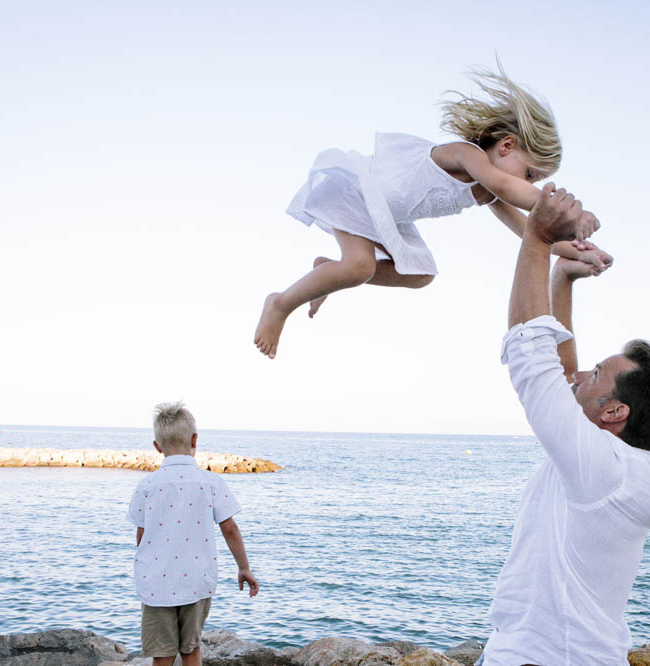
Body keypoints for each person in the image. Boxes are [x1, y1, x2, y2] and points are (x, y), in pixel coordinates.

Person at [253, 63, 605, 358]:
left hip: (388, 215)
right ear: (507, 145)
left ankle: (331, 273)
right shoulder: (468, 155)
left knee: (421, 274)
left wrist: (577, 250)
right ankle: (281, 304)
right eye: (530, 175)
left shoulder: (488, 190)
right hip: (360, 191)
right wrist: (573, 215)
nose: (529, 184)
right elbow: (509, 188)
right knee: (360, 265)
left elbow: (530, 231)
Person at [480, 184, 650, 665]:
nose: (580, 376)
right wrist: (562, 280)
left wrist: (537, 238)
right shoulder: (615, 467)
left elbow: (534, 362)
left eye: (599, 374)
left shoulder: (602, 468)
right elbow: (564, 372)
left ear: (615, 413)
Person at [126, 402, 260, 666]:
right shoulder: (210, 482)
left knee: (162, 655)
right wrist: (243, 567)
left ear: (156, 446)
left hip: (156, 585)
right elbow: (229, 528)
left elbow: (141, 537)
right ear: (195, 439)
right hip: (197, 580)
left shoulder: (147, 485)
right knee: (191, 650)